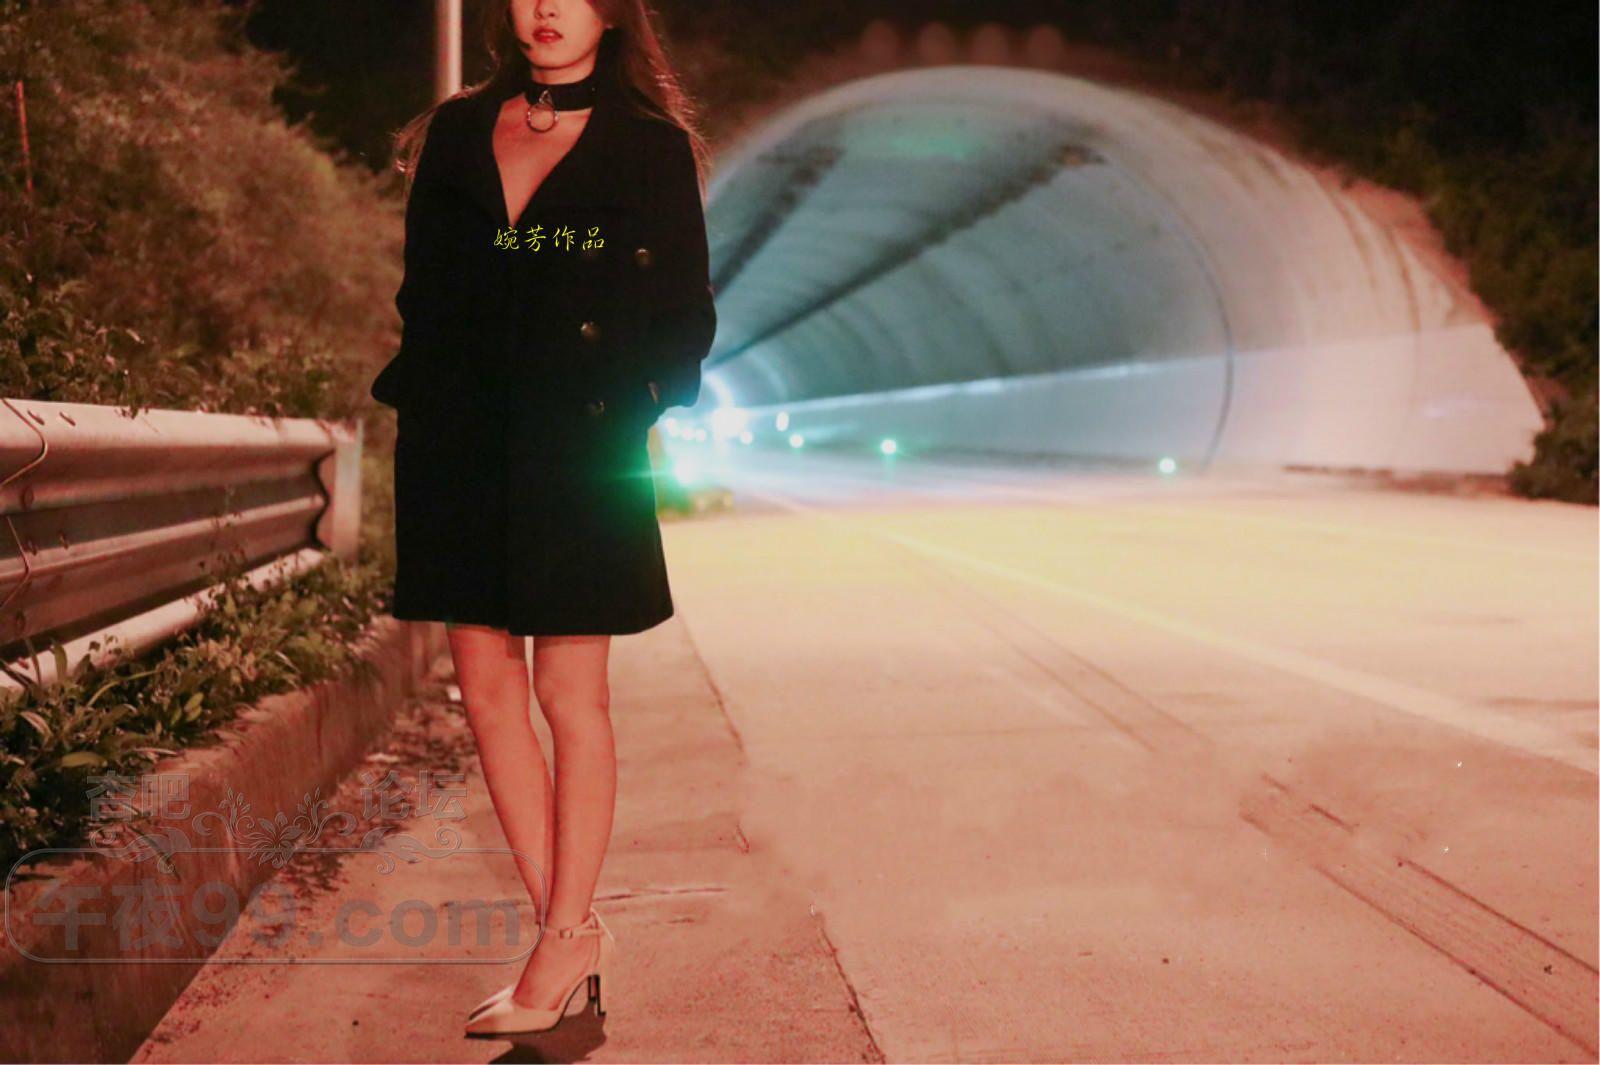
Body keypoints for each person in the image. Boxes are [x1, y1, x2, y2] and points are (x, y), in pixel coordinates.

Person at [368, 0, 717, 1038]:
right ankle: (565, 935)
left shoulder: (649, 148)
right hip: (459, 441)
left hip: (580, 444)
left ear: (610, 12)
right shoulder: (458, 131)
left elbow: (684, 311)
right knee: (486, 693)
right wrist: (429, 398)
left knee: (571, 693)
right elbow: (424, 291)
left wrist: (633, 401)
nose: (546, 7)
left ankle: (562, 940)